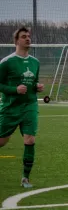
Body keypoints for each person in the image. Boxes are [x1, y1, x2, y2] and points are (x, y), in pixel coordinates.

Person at [0, 27, 44, 188]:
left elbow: (33, 82)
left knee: (30, 139)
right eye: (24, 36)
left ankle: (25, 178)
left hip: (29, 105)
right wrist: (14, 90)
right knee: (2, 141)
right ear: (16, 41)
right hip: (11, 107)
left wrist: (37, 87)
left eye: (29, 36)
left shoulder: (35, 62)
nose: (28, 39)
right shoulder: (6, 62)